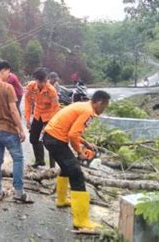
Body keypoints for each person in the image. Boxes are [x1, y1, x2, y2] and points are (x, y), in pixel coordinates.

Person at [42, 90, 110, 231]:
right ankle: (81, 220)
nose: (104, 110)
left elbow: (72, 131)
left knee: (67, 168)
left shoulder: (82, 105)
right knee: (76, 173)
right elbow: (72, 135)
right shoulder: (88, 112)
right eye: (105, 106)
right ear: (100, 102)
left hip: (50, 136)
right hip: (55, 140)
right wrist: (80, 153)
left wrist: (85, 143)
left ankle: (61, 200)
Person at [0, 60, 33, 203]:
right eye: (8, 72)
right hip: (9, 129)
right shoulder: (7, 87)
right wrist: (21, 129)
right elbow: (13, 110)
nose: (9, 75)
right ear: (3, 71)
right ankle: (18, 193)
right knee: (18, 159)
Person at [25, 68, 60, 168]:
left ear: (46, 79)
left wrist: (49, 125)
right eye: (40, 81)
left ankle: (52, 167)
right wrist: (27, 119)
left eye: (44, 81)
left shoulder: (51, 90)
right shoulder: (31, 86)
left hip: (49, 116)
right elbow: (27, 102)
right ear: (36, 80)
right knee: (33, 138)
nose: (42, 84)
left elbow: (55, 108)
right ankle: (40, 160)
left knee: (50, 141)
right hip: (37, 114)